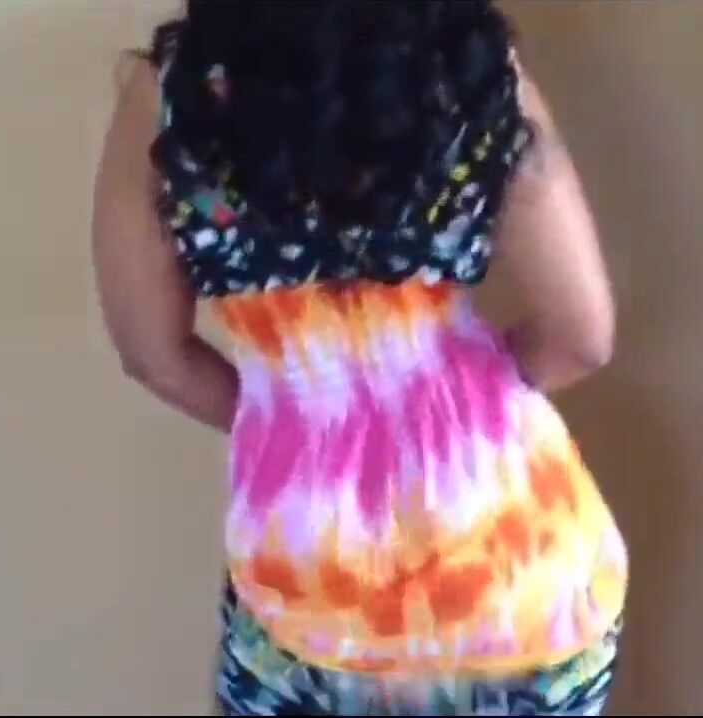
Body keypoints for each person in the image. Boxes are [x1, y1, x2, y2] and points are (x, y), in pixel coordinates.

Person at [92, 1, 627, 714]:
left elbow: (153, 357)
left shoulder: (172, 95)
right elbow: (582, 335)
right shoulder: (468, 66)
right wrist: (455, 414)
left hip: (311, 601)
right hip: (524, 584)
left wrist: (297, 425)